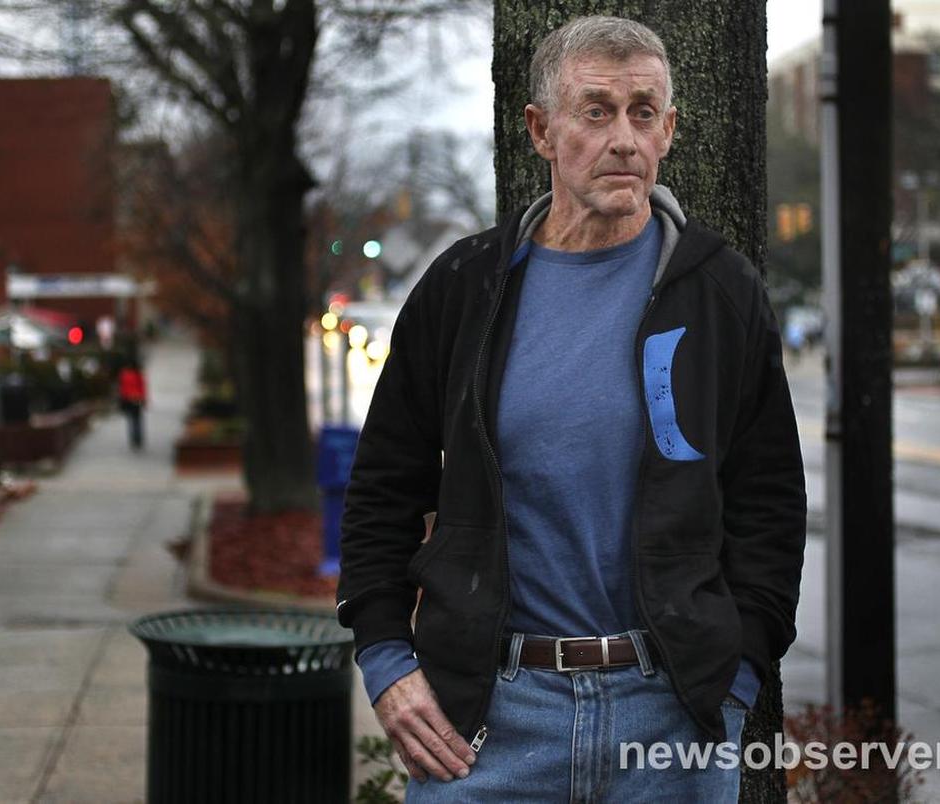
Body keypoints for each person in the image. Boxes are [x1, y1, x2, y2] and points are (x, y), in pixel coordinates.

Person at [338, 15, 806, 801]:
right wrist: (387, 662)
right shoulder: (465, 290)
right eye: (595, 111)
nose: (623, 138)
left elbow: (770, 508)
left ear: (668, 131)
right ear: (540, 131)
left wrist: (736, 685)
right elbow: (383, 489)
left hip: (671, 723)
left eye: (643, 113)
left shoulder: (721, 294)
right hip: (485, 726)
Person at [117, 359, 147, 450]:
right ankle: (138, 439)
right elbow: (142, 387)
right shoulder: (138, 374)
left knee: (131, 420)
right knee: (137, 419)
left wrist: (122, 398)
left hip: (128, 399)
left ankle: (133, 439)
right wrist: (144, 399)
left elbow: (122, 388)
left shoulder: (124, 374)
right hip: (137, 399)